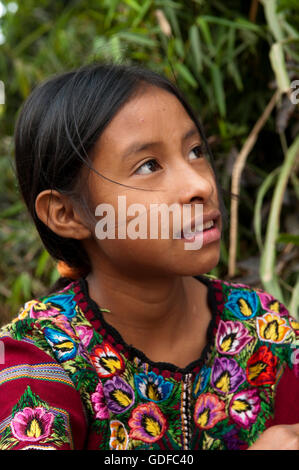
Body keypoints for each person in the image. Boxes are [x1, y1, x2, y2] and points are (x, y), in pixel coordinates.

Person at [0, 63, 298, 451]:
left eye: (195, 151)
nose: (201, 184)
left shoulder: (262, 327)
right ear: (67, 214)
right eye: (148, 166)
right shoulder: (35, 360)